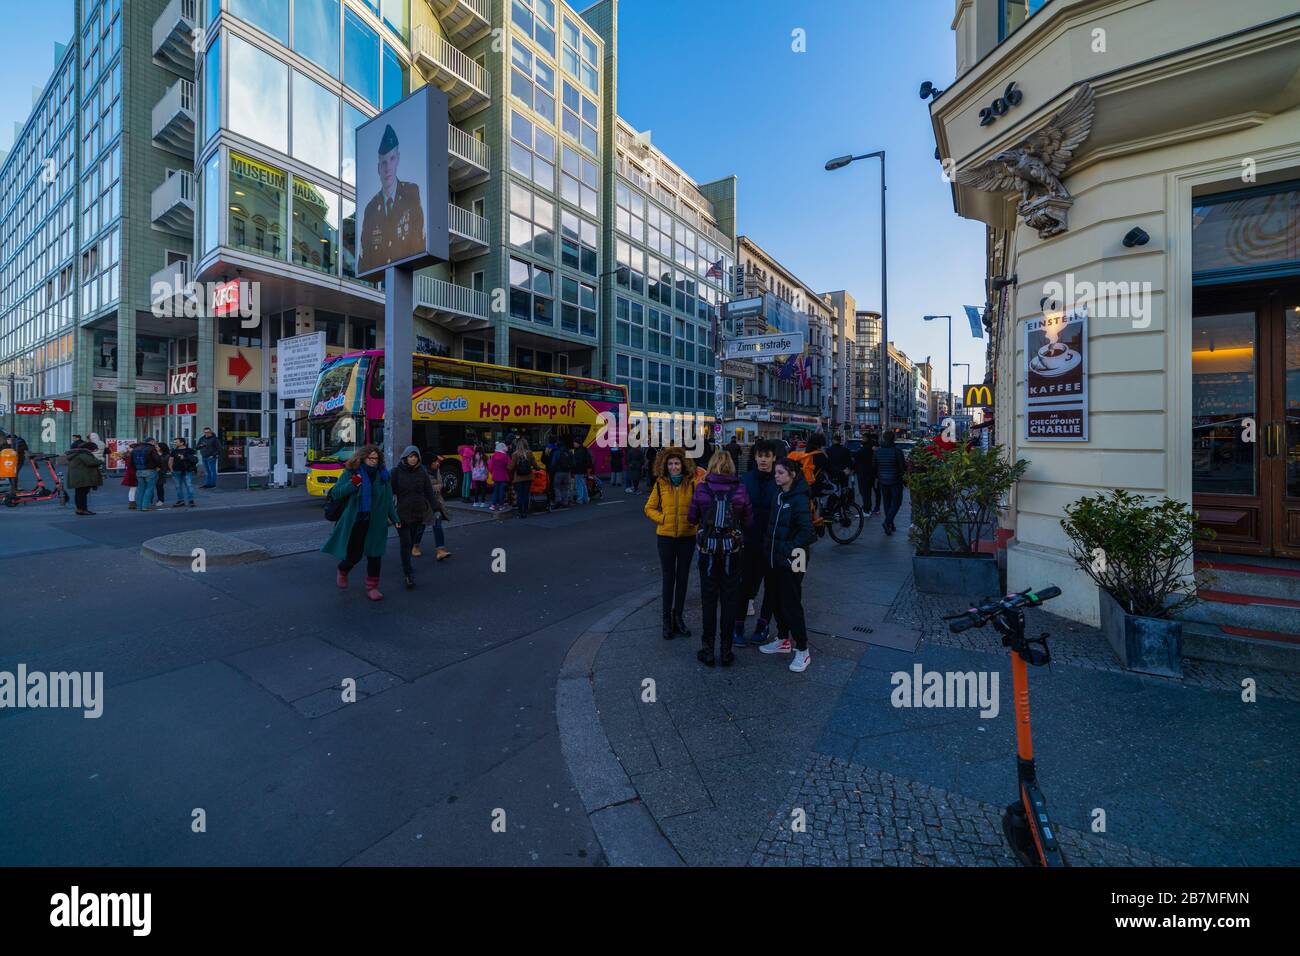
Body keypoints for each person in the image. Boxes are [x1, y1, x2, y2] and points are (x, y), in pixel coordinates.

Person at [688, 449, 753, 666]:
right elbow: (748, 520)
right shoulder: (740, 489)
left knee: (708, 600)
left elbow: (692, 517)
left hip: (707, 552)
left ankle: (707, 649)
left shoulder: (702, 487)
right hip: (731, 553)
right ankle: (726, 651)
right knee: (729, 600)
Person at [758, 459, 817, 673]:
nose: (776, 476)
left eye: (781, 473)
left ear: (792, 474)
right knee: (774, 599)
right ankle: (783, 639)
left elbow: (808, 533)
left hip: (794, 558)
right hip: (774, 557)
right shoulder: (778, 494)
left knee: (791, 603)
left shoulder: (799, 498)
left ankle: (803, 649)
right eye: (776, 472)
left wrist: (786, 548)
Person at [322, 444, 400, 601]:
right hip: (357, 520)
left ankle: (372, 587)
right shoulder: (351, 472)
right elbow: (336, 493)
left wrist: (395, 518)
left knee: (375, 554)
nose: (373, 461)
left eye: (376, 459)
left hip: (376, 521)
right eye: (370, 458)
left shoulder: (383, 475)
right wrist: (353, 484)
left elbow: (388, 500)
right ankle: (342, 570)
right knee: (355, 555)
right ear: (363, 458)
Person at [644, 446, 699, 641]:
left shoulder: (692, 483)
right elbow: (649, 508)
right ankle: (666, 621)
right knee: (669, 578)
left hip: (687, 537)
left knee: (683, 578)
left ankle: (679, 618)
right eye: (670, 464)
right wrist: (663, 518)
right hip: (665, 537)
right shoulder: (661, 484)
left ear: (683, 464)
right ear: (665, 466)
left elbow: (699, 508)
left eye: (677, 463)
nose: (674, 467)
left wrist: (695, 522)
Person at [357, 123, 426, 273]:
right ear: (378, 168)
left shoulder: (411, 193)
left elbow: (419, 245)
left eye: (392, 159)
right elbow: (363, 263)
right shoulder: (370, 209)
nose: (388, 167)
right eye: (383, 162)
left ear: (398, 159)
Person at [735, 439, 780, 647]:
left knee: (771, 586)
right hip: (749, 541)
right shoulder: (746, 479)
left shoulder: (779, 480)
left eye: (767, 456)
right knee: (744, 585)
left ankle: (762, 626)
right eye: (760, 456)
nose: (763, 460)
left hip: (771, 543)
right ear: (755, 457)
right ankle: (738, 626)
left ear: (773, 458)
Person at [392, 445, 439, 589]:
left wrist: (435, 508)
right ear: (405, 457)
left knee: (411, 541)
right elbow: (388, 492)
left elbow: (428, 491)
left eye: (415, 456)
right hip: (401, 514)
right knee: (405, 542)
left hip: (418, 513)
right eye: (410, 456)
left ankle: (407, 563)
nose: (413, 459)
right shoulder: (395, 472)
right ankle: (408, 573)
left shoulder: (422, 472)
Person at [875, 432, 909, 535]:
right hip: (895, 480)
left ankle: (890, 523)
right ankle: (887, 522)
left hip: (882, 480)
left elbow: (874, 465)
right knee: (897, 503)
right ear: (893, 439)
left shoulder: (878, 451)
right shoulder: (897, 451)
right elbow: (902, 467)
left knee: (887, 502)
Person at [425, 454, 453, 560]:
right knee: (420, 527)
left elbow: (440, 484)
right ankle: (415, 545)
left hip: (436, 503)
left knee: (437, 524)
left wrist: (442, 487)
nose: (437, 463)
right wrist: (435, 487)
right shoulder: (422, 472)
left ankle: (440, 550)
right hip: (424, 503)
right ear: (429, 463)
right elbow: (421, 487)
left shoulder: (437, 470)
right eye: (435, 462)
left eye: (437, 461)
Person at [66, 441, 104, 515]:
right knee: (82, 494)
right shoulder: (83, 454)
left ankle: (79, 509)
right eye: (93, 449)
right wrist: (101, 461)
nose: (93, 451)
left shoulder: (77, 453)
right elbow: (91, 462)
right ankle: (83, 509)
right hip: (82, 478)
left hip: (78, 477)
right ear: (89, 448)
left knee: (79, 494)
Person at [128, 439, 162, 512]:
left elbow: (130, 462)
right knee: (149, 489)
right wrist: (158, 466)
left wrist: (136, 468)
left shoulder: (135, 449)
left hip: (139, 471)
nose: (155, 444)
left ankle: (139, 506)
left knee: (140, 489)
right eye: (154, 442)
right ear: (151, 442)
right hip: (150, 471)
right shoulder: (151, 449)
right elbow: (158, 459)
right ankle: (145, 506)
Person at [169, 436, 198, 507]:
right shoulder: (174, 451)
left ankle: (191, 501)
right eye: (174, 442)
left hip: (187, 470)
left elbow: (195, 460)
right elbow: (170, 461)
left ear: (182, 443)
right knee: (178, 487)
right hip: (176, 471)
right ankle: (180, 501)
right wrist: (171, 470)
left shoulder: (190, 450)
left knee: (189, 486)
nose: (174, 443)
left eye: (176, 442)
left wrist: (185, 457)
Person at [853, 436, 877, 516]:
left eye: (863, 438)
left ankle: (866, 510)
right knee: (866, 492)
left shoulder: (865, 449)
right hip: (868, 473)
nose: (862, 439)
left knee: (865, 491)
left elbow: (856, 455)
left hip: (864, 473)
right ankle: (867, 508)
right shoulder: (870, 448)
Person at [511, 440, 534, 519]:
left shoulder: (515, 454)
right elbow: (535, 464)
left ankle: (520, 512)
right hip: (528, 477)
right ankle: (525, 511)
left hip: (518, 478)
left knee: (519, 495)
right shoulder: (529, 453)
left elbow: (511, 467)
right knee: (526, 495)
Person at [488, 441, 512, 511]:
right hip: (503, 476)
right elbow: (509, 466)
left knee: (495, 491)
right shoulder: (505, 456)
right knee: (502, 491)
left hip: (495, 476)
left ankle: (493, 505)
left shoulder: (493, 456)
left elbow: (490, 466)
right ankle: (501, 505)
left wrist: (493, 472)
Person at [550, 439, 574, 508]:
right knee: (566, 487)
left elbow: (553, 463)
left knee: (557, 487)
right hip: (567, 472)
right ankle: (565, 502)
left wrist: (553, 470)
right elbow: (573, 462)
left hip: (559, 472)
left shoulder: (557, 452)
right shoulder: (569, 452)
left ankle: (558, 501)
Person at [572, 438, 592, 505]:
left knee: (579, 485)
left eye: (575, 443)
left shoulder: (579, 451)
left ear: (578, 443)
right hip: (583, 470)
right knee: (583, 485)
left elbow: (577, 462)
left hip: (579, 470)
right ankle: (586, 499)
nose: (573, 444)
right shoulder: (584, 449)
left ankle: (579, 499)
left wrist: (573, 467)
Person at [149, 438, 169, 504]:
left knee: (159, 487)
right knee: (150, 487)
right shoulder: (154, 453)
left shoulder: (166, 455)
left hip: (161, 473)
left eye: (157, 446)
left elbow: (164, 463)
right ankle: (149, 500)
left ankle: (161, 500)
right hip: (153, 472)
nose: (155, 447)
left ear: (161, 448)